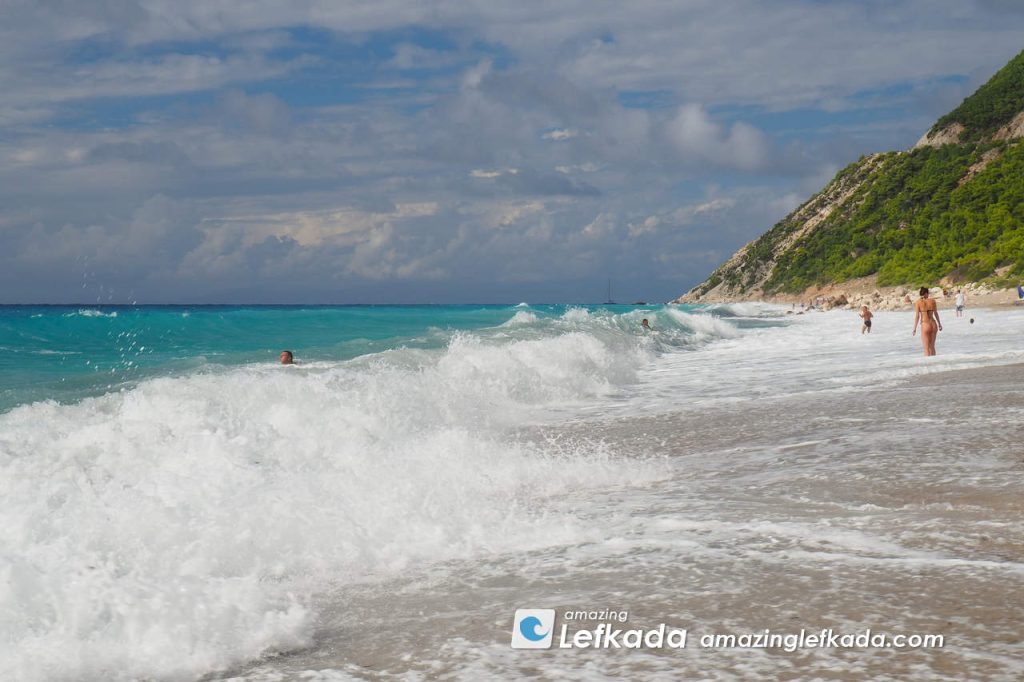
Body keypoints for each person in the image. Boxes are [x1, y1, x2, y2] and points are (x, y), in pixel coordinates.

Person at [912, 287, 942, 356]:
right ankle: (934, 364)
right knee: (932, 347)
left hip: (925, 324)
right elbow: (936, 313)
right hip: (933, 324)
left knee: (926, 348)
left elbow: (917, 316)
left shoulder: (918, 302)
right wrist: (939, 324)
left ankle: (928, 366)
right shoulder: (932, 301)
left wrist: (914, 328)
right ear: (926, 293)